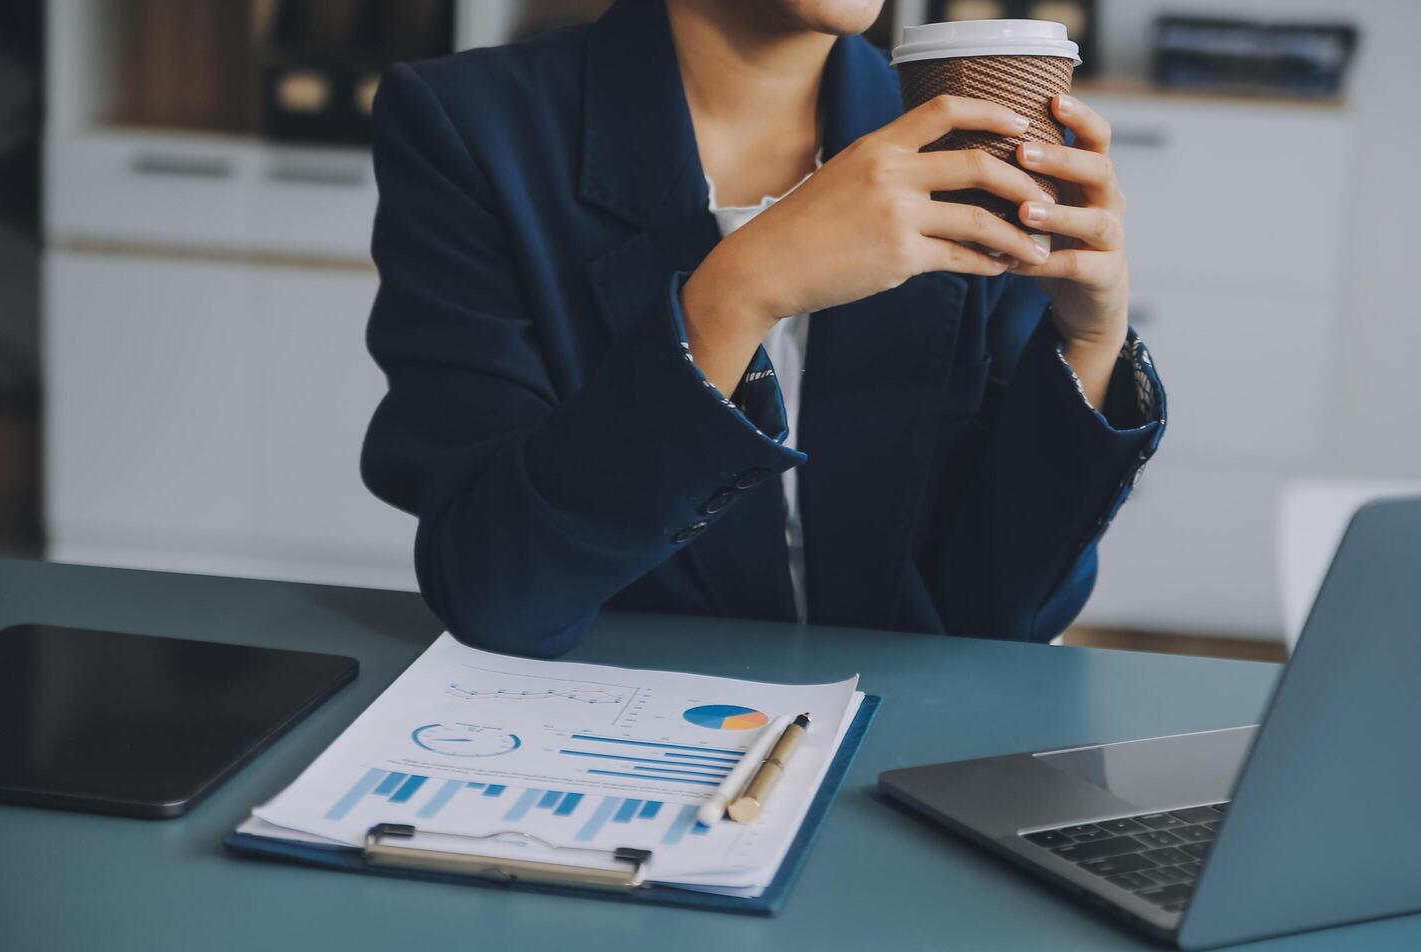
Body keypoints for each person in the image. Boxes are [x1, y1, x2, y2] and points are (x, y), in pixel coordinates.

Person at [361, 0, 1165, 657]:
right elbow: (500, 594)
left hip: (895, 746)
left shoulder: (966, 143)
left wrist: (1089, 344)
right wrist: (739, 290)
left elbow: (1000, 618)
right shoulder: (472, 125)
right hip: (612, 733)